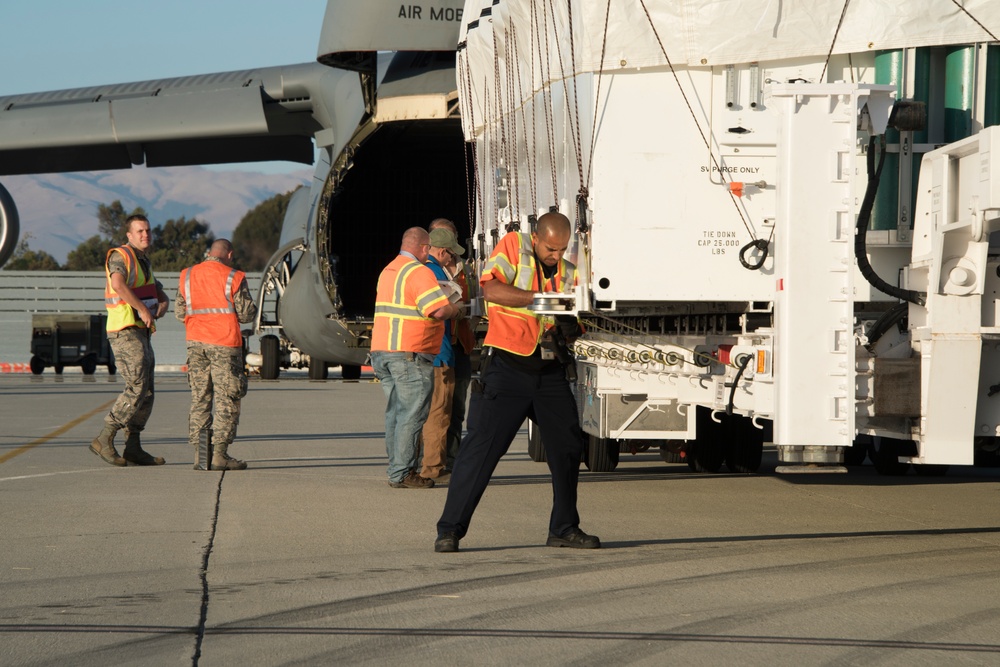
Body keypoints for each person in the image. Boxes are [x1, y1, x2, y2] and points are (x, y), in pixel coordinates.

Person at [435, 212, 599, 552]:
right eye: (551, 248)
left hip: (549, 371)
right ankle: (450, 529)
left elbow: (576, 316)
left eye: (563, 249)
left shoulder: (569, 271)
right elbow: (491, 289)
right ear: (537, 238)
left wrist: (573, 327)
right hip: (507, 368)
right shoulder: (513, 247)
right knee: (480, 451)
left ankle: (564, 528)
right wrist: (540, 299)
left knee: (568, 448)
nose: (557, 255)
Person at [371, 227, 460, 489]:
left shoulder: (389, 270)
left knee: (396, 415)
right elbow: (438, 310)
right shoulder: (418, 272)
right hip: (410, 353)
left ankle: (396, 468)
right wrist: (456, 309)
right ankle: (402, 473)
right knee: (411, 415)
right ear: (424, 248)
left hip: (383, 351)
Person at [90, 214, 170, 467]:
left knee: (146, 392)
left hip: (141, 331)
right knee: (136, 385)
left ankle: (133, 446)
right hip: (124, 328)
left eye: (147, 230)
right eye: (140, 231)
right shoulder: (120, 255)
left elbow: (154, 286)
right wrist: (144, 310)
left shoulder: (143, 260)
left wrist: (163, 299)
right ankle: (105, 437)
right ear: (129, 235)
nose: (145, 235)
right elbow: (118, 284)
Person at [175, 239, 258, 470]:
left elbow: (180, 313)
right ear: (228, 254)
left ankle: (200, 455)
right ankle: (219, 454)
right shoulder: (234, 276)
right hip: (224, 344)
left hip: (195, 344)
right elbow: (246, 314)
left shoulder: (187, 275)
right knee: (226, 399)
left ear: (209, 253)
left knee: (200, 397)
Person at [428, 218, 477, 469]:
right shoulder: (427, 270)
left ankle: (452, 458)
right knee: (436, 408)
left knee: (457, 407)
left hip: (461, 345)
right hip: (438, 346)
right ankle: (429, 459)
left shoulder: (466, 269)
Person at [419, 227, 466, 482]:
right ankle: (434, 468)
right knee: (439, 413)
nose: (453, 259)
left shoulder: (417, 271)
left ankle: (415, 465)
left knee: (421, 413)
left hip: (422, 352)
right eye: (451, 254)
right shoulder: (436, 273)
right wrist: (457, 310)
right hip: (440, 352)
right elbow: (440, 310)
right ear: (441, 251)